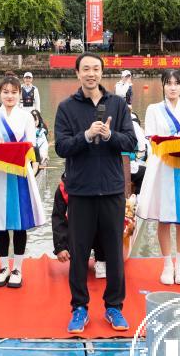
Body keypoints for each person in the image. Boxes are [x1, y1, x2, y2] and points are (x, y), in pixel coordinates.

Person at [55, 53, 137, 334]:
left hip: (112, 189)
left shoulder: (117, 104)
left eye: (96, 69)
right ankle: (79, 307)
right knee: (78, 253)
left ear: (102, 72)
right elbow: (61, 147)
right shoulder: (67, 107)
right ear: (77, 73)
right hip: (80, 190)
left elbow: (132, 142)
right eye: (86, 69)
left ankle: (114, 306)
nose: (91, 74)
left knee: (114, 252)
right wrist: (87, 136)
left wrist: (111, 136)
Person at [0, 75, 47, 288]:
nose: (9, 96)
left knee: (20, 222)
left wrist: (12, 149)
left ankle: (18, 268)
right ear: (0, 93)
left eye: (14, 92)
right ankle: (3, 267)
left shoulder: (26, 116)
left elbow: (30, 144)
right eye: (5, 92)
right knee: (0, 223)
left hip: (20, 172)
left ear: (20, 94)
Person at [138, 70, 180, 286]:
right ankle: (167, 264)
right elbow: (150, 138)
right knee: (164, 217)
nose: (173, 87)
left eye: (176, 83)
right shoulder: (153, 109)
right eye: (168, 83)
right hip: (162, 165)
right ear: (163, 86)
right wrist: (168, 143)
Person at [52, 176, 107, 279]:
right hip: (77, 231)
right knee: (78, 271)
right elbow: (58, 217)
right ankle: (79, 258)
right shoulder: (63, 187)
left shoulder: (104, 183)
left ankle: (101, 259)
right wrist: (60, 247)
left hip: (99, 230)